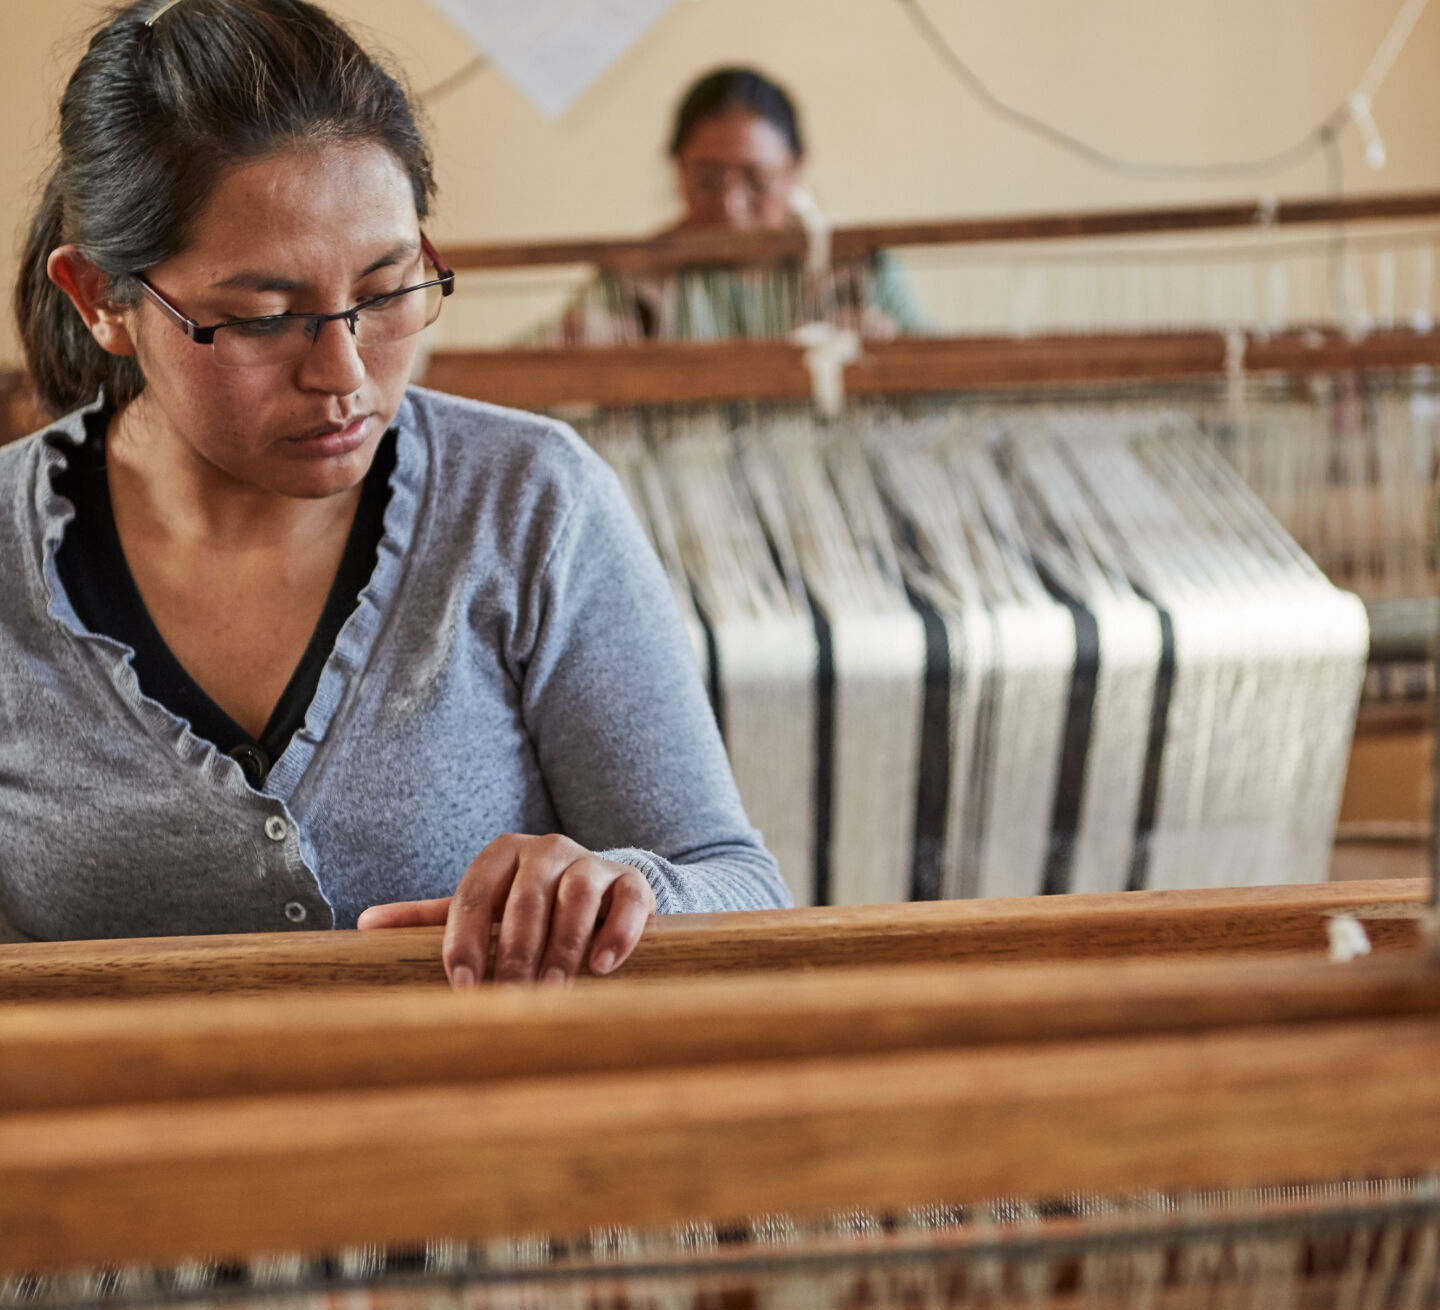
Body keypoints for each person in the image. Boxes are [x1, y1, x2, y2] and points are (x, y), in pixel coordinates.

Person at [3, 0, 789, 984]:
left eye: (386, 289)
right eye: (260, 317)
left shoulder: (531, 507)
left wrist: (619, 890)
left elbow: (737, 883)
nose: (344, 375)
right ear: (99, 301)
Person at [553, 67, 930, 344]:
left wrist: (891, 353)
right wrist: (570, 343)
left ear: (796, 169)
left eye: (756, 179)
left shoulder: (859, 271)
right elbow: (518, 380)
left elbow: (951, 387)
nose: (730, 204)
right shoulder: (633, 279)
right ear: (678, 170)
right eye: (707, 180)